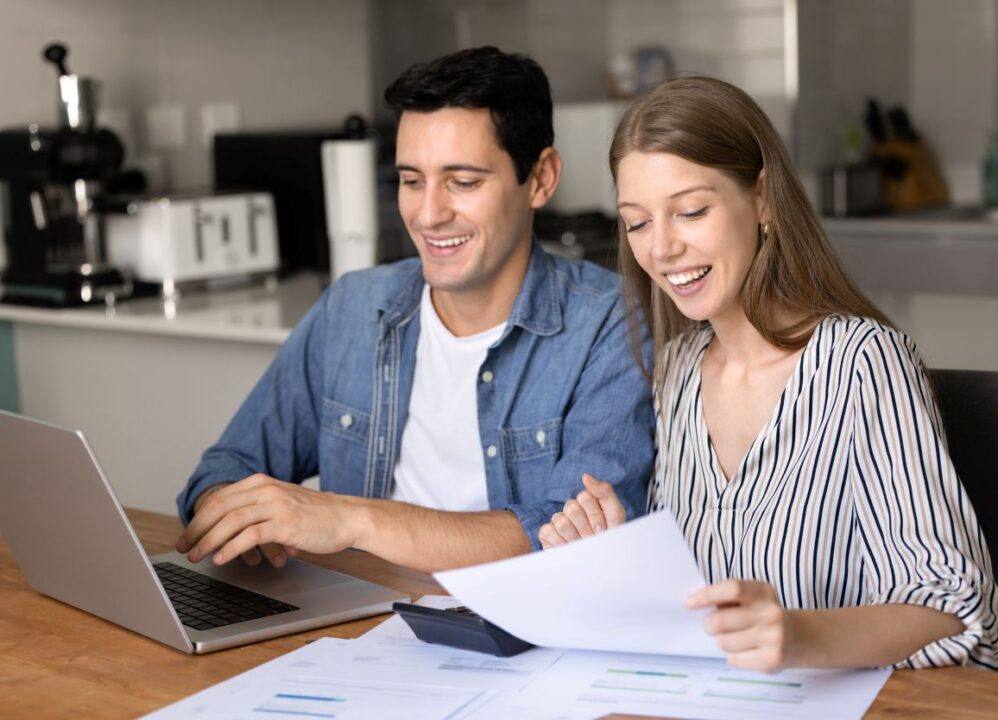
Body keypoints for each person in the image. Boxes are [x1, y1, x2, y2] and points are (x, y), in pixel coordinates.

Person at [539, 76, 997, 672]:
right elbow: (696, 611)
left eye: (691, 211)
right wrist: (613, 560)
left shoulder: (864, 364)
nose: (662, 248)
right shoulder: (677, 370)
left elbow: (961, 616)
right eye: (637, 222)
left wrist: (798, 636)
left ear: (762, 201)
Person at [174, 46, 654, 574]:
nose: (428, 214)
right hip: (356, 627)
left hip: (516, 639)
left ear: (540, 177)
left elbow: (576, 539)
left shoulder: (613, 322)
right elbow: (225, 468)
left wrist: (351, 519)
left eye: (463, 182)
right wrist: (241, 518)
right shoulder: (352, 307)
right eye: (410, 180)